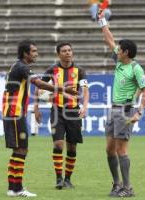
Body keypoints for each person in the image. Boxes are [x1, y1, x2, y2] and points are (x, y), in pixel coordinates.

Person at [2, 39, 78, 197]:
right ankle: (16, 188)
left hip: (13, 113)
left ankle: (13, 187)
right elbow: (39, 84)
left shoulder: (17, 66)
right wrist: (62, 89)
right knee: (21, 149)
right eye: (34, 51)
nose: (36, 54)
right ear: (25, 53)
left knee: (20, 149)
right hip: (15, 113)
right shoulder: (22, 67)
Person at [97, 14, 145, 197]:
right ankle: (117, 184)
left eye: (119, 48)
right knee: (109, 149)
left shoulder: (135, 68)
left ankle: (128, 188)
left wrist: (140, 112)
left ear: (126, 52)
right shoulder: (119, 62)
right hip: (113, 110)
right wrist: (102, 21)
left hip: (126, 111)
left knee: (121, 149)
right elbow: (109, 39)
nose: (116, 49)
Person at [34, 42, 89, 190]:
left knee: (71, 148)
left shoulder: (80, 71)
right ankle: (59, 178)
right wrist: (36, 107)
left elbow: (85, 90)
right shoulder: (52, 69)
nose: (68, 53)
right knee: (58, 144)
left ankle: (68, 179)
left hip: (73, 112)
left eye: (70, 50)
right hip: (57, 111)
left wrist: (84, 107)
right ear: (59, 54)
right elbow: (39, 86)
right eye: (64, 51)